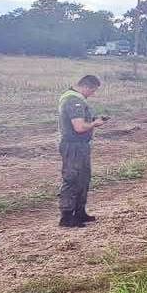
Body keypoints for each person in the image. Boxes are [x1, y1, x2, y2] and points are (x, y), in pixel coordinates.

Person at [59, 75, 107, 228]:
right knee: (72, 179)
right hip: (73, 146)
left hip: (80, 145)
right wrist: (94, 123)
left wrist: (92, 120)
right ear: (86, 86)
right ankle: (67, 217)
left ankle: (80, 213)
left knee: (83, 179)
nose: (93, 94)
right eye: (93, 90)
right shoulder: (74, 101)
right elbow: (79, 127)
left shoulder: (75, 99)